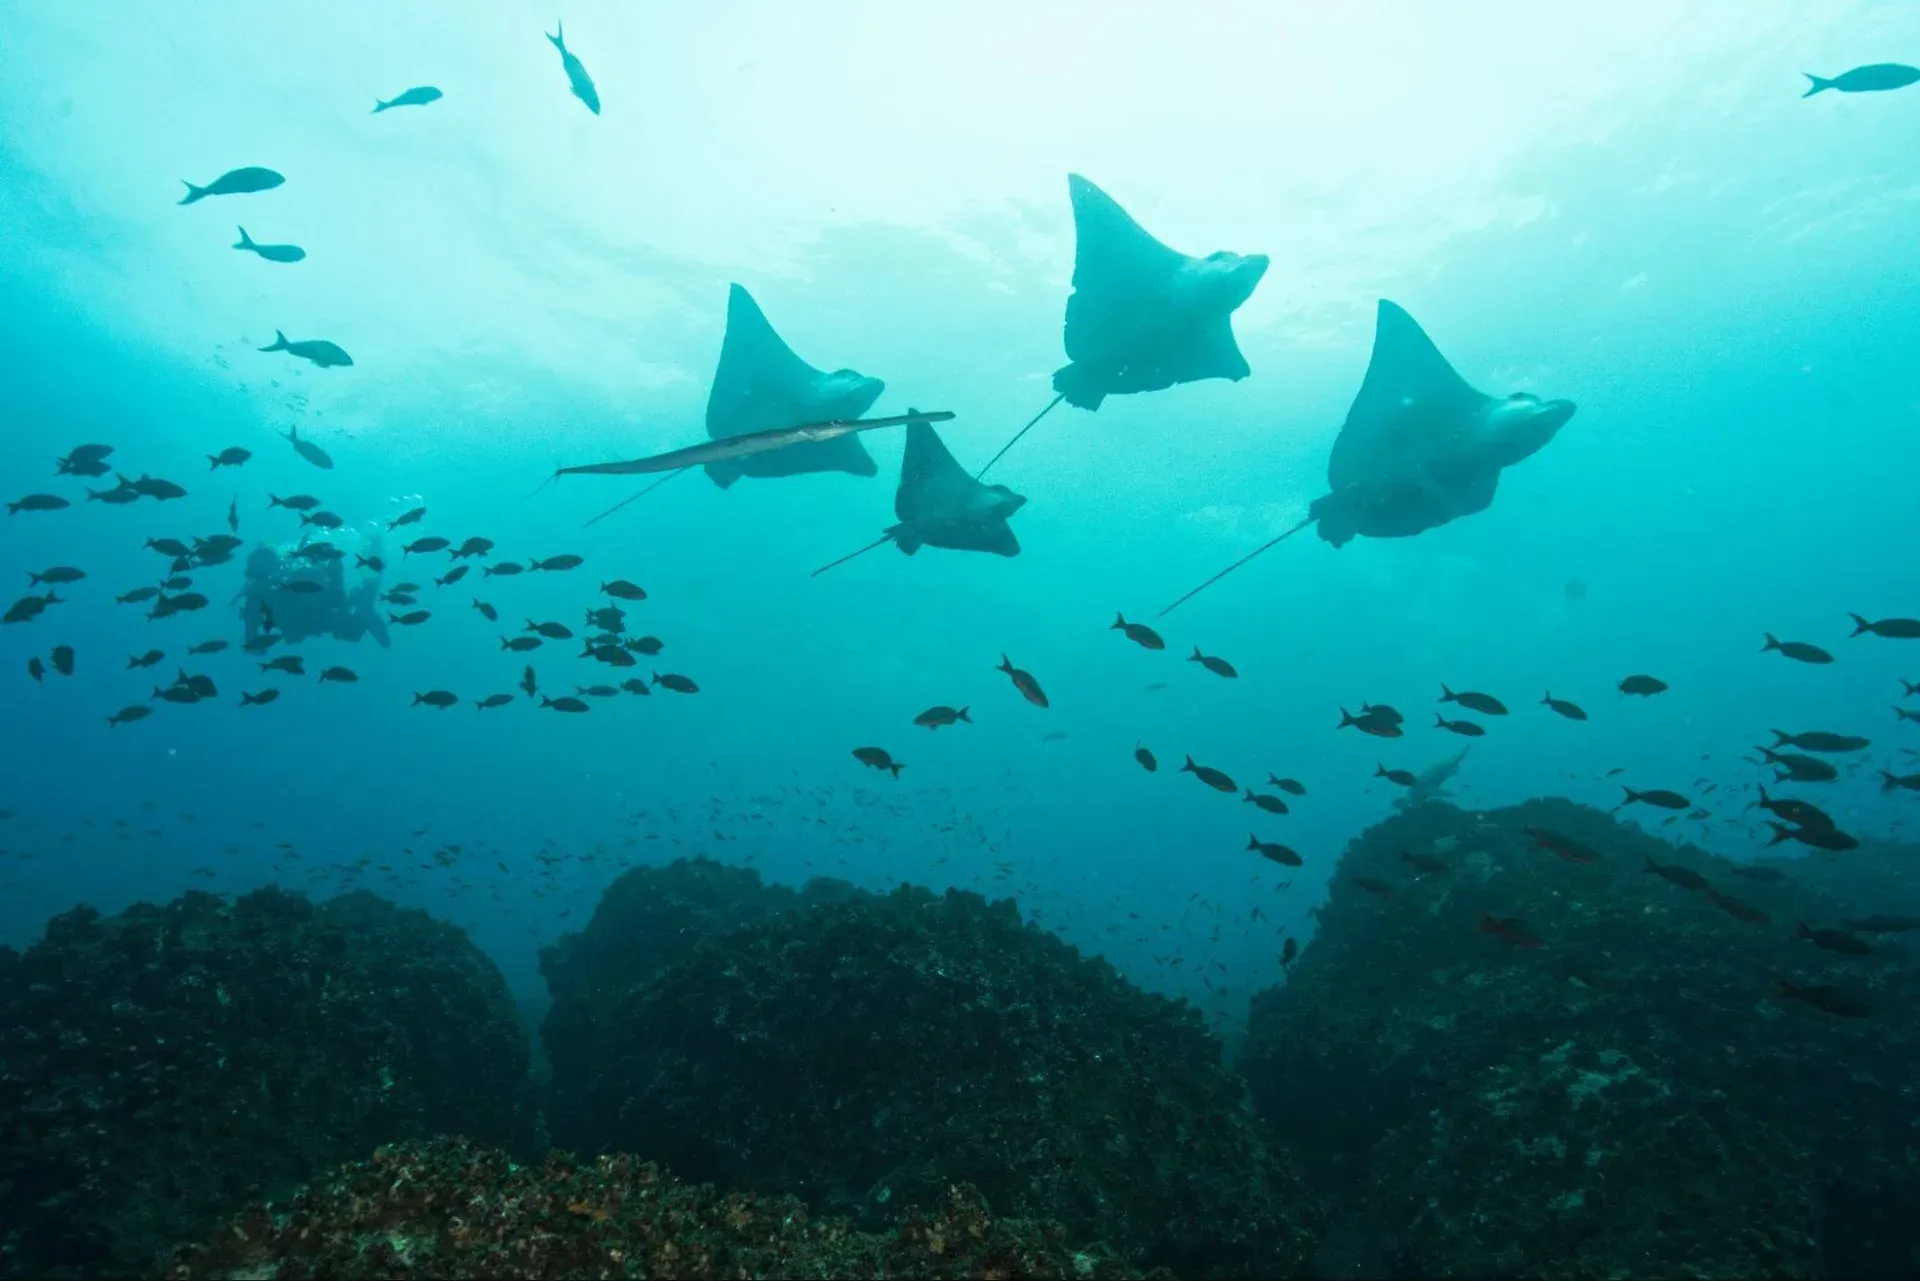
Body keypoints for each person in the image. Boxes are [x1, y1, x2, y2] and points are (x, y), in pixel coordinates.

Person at [239, 526, 390, 648]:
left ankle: (373, 554)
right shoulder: (257, 591)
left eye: (264, 561)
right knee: (356, 618)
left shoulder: (287, 577)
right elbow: (251, 635)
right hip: (318, 620)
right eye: (258, 564)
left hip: (322, 618)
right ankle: (373, 557)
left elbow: (336, 599)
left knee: (356, 622)